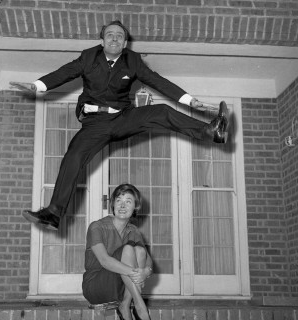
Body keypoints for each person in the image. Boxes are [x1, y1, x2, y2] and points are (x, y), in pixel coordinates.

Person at [21, 20, 229, 231]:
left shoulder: (133, 61)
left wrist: (189, 100)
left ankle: (210, 131)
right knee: (73, 157)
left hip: (123, 118)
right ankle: (53, 214)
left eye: (119, 36)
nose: (114, 39)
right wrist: (37, 85)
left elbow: (158, 81)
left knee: (162, 111)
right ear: (102, 40)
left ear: (125, 43)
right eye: (110, 35)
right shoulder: (88, 57)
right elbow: (64, 73)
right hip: (96, 124)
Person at [83, 183, 155, 320]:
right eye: (118, 200)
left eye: (128, 201)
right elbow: (104, 261)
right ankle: (140, 307)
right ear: (113, 204)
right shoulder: (97, 227)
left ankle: (125, 306)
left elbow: (147, 259)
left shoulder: (133, 230)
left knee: (140, 251)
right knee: (128, 249)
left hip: (122, 285)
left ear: (135, 207)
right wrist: (135, 274)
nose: (122, 206)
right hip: (97, 285)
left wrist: (146, 272)